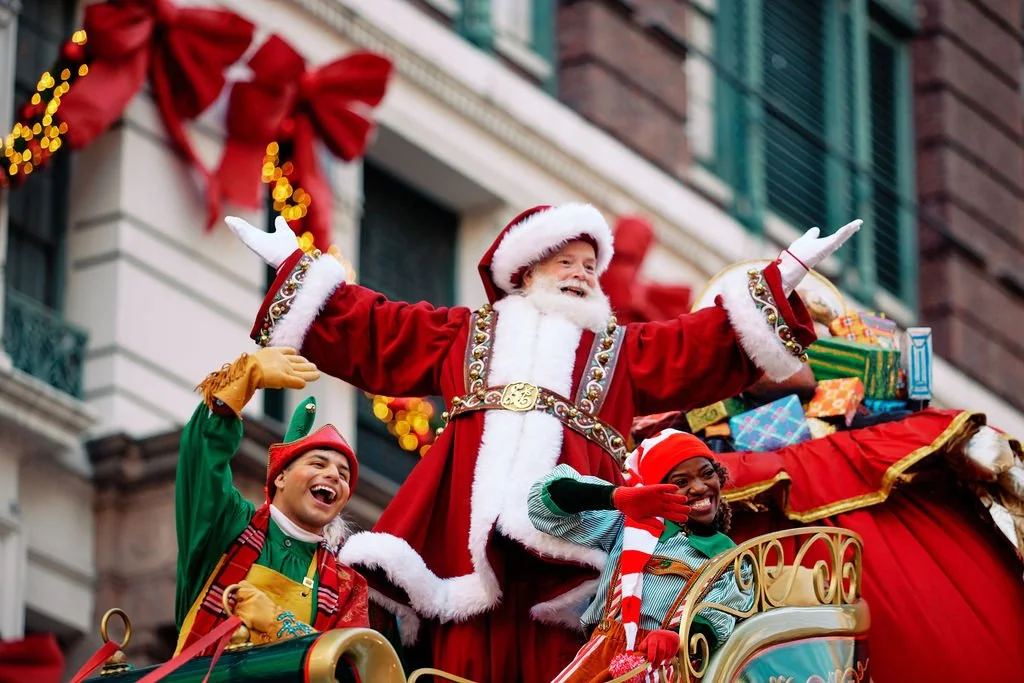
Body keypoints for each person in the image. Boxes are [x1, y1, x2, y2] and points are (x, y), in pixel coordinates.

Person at [225, 205, 858, 681]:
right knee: (458, 647)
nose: (583, 276)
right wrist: (296, 271)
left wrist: (781, 277)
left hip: (573, 545)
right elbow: (377, 330)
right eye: (568, 263)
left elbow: (701, 343)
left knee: (566, 651)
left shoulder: (623, 348)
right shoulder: (462, 332)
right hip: (460, 534)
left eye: (591, 267)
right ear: (526, 271)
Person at [174, 346, 369, 654]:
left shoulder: (347, 585)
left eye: (344, 475)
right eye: (318, 464)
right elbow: (201, 459)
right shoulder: (229, 527)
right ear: (280, 477)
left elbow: (353, 665)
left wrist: (279, 625)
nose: (334, 476)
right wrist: (242, 379)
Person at [528, 429, 749, 682]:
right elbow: (542, 503)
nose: (699, 487)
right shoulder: (630, 523)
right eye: (680, 482)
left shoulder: (732, 559)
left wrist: (677, 636)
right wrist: (614, 497)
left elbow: (722, 613)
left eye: (707, 473)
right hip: (600, 657)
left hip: (672, 666)